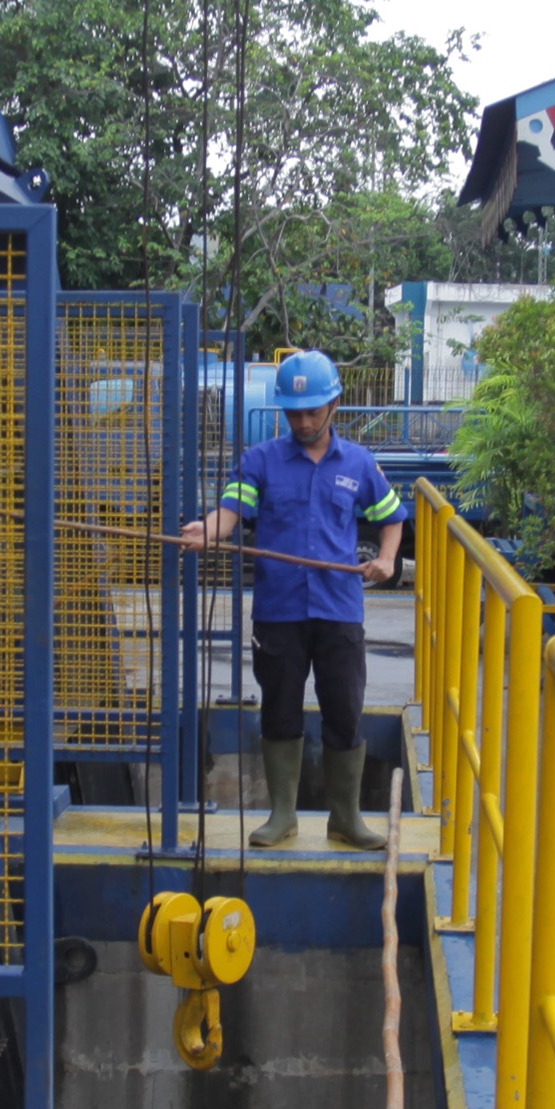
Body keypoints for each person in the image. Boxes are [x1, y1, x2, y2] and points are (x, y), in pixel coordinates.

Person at [180, 350, 408, 847]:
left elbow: (393, 517)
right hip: (279, 610)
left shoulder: (360, 463)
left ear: (334, 406)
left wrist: (388, 560)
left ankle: (345, 817)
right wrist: (208, 531)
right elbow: (229, 513)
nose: (303, 421)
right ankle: (282, 815)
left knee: (344, 710)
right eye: (294, 412)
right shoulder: (258, 461)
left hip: (339, 610)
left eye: (312, 411)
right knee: (279, 708)